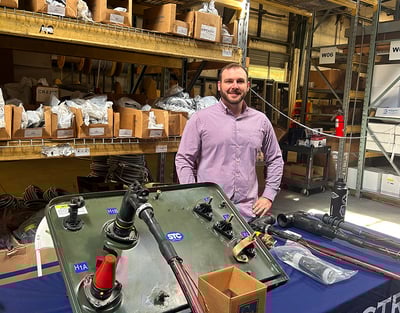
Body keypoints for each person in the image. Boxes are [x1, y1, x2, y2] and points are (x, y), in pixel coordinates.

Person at [175, 63, 284, 220]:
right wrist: (194, 194)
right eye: (229, 81)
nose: (234, 86)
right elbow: (184, 160)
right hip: (209, 210)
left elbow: (275, 159)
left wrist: (269, 195)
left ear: (247, 86)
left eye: (240, 81)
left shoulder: (261, 121)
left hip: (248, 212)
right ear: (219, 86)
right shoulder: (200, 119)